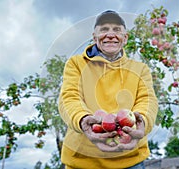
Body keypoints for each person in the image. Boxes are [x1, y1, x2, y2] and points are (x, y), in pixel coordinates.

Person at [58, 10, 158, 169]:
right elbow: (69, 97)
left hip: (130, 159)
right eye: (104, 29)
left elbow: (147, 100)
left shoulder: (140, 69)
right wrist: (83, 119)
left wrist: (142, 122)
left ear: (125, 38)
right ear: (94, 37)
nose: (110, 34)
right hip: (82, 161)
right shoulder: (76, 63)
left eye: (117, 30)